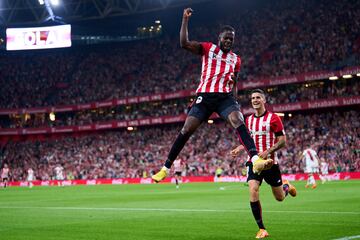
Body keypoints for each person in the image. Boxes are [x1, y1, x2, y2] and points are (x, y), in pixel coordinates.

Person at [152, 8, 273, 183]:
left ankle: (256, 160)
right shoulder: (209, 49)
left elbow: (235, 83)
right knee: (187, 129)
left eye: (231, 39)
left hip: (225, 97)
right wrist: (185, 20)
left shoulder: (236, 60)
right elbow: (184, 43)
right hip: (205, 97)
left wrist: (234, 96)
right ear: (220, 38)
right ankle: (165, 168)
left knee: (238, 120)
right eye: (226, 38)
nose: (229, 41)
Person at [230, 89, 296, 239]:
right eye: (253, 98)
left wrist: (268, 151)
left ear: (264, 100)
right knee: (253, 189)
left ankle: (286, 187)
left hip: (271, 163)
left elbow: (283, 141)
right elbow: (248, 140)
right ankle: (262, 229)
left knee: (279, 198)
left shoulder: (273, 118)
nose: (255, 100)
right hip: (253, 162)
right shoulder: (248, 120)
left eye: (258, 97)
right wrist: (240, 148)